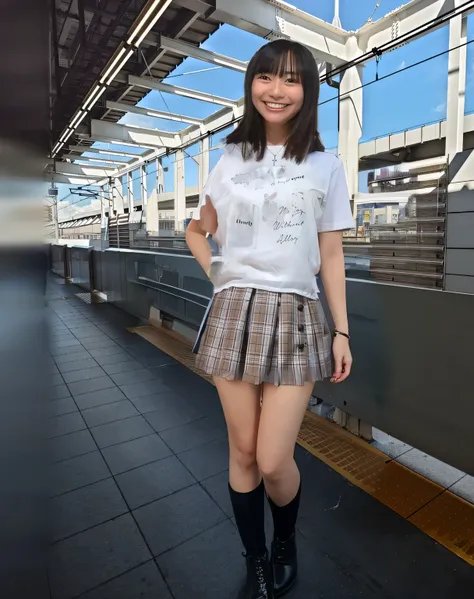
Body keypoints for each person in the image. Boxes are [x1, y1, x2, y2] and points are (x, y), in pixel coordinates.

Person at [186, 39, 354, 599]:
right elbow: (197, 229)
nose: (275, 90)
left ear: (307, 91)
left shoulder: (326, 166)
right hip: (234, 310)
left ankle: (285, 540)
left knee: (273, 457)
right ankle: (256, 556)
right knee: (241, 450)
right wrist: (220, 274)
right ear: (251, 84)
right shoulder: (228, 158)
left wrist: (342, 330)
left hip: (299, 313)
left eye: (290, 80)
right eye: (265, 77)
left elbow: (331, 256)